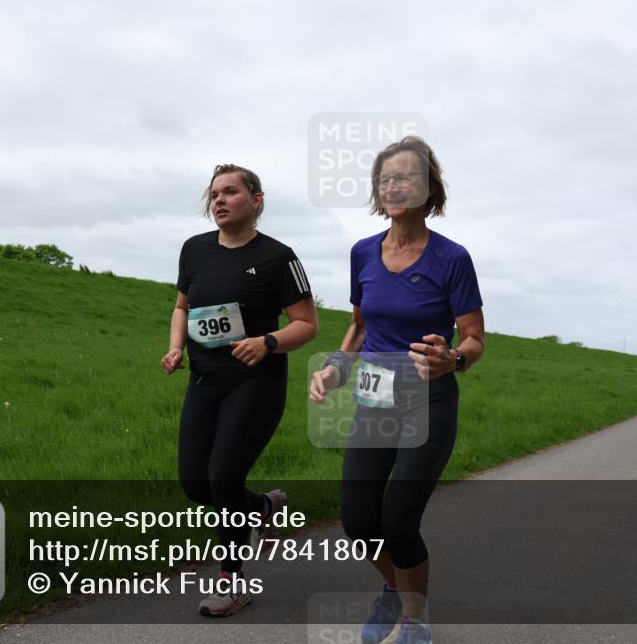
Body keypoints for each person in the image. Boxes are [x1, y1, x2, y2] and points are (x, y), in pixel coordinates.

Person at [309, 137, 485, 644]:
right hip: (375, 398)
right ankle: (393, 587)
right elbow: (360, 327)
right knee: (359, 520)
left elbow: (473, 337)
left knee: (400, 520)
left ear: (430, 189)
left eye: (405, 176)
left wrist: (452, 359)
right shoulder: (363, 252)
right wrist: (336, 367)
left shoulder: (452, 258)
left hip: (428, 401)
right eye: (385, 178)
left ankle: (414, 617)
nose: (393, 184)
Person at [161, 163, 318, 616]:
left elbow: (307, 325)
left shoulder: (278, 256)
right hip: (205, 378)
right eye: (214, 194)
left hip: (256, 382)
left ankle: (232, 581)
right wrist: (176, 348)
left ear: (256, 200)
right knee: (196, 483)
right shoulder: (194, 250)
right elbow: (181, 307)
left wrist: (267, 342)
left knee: (224, 477)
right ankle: (262, 508)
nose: (219, 200)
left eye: (230, 192)